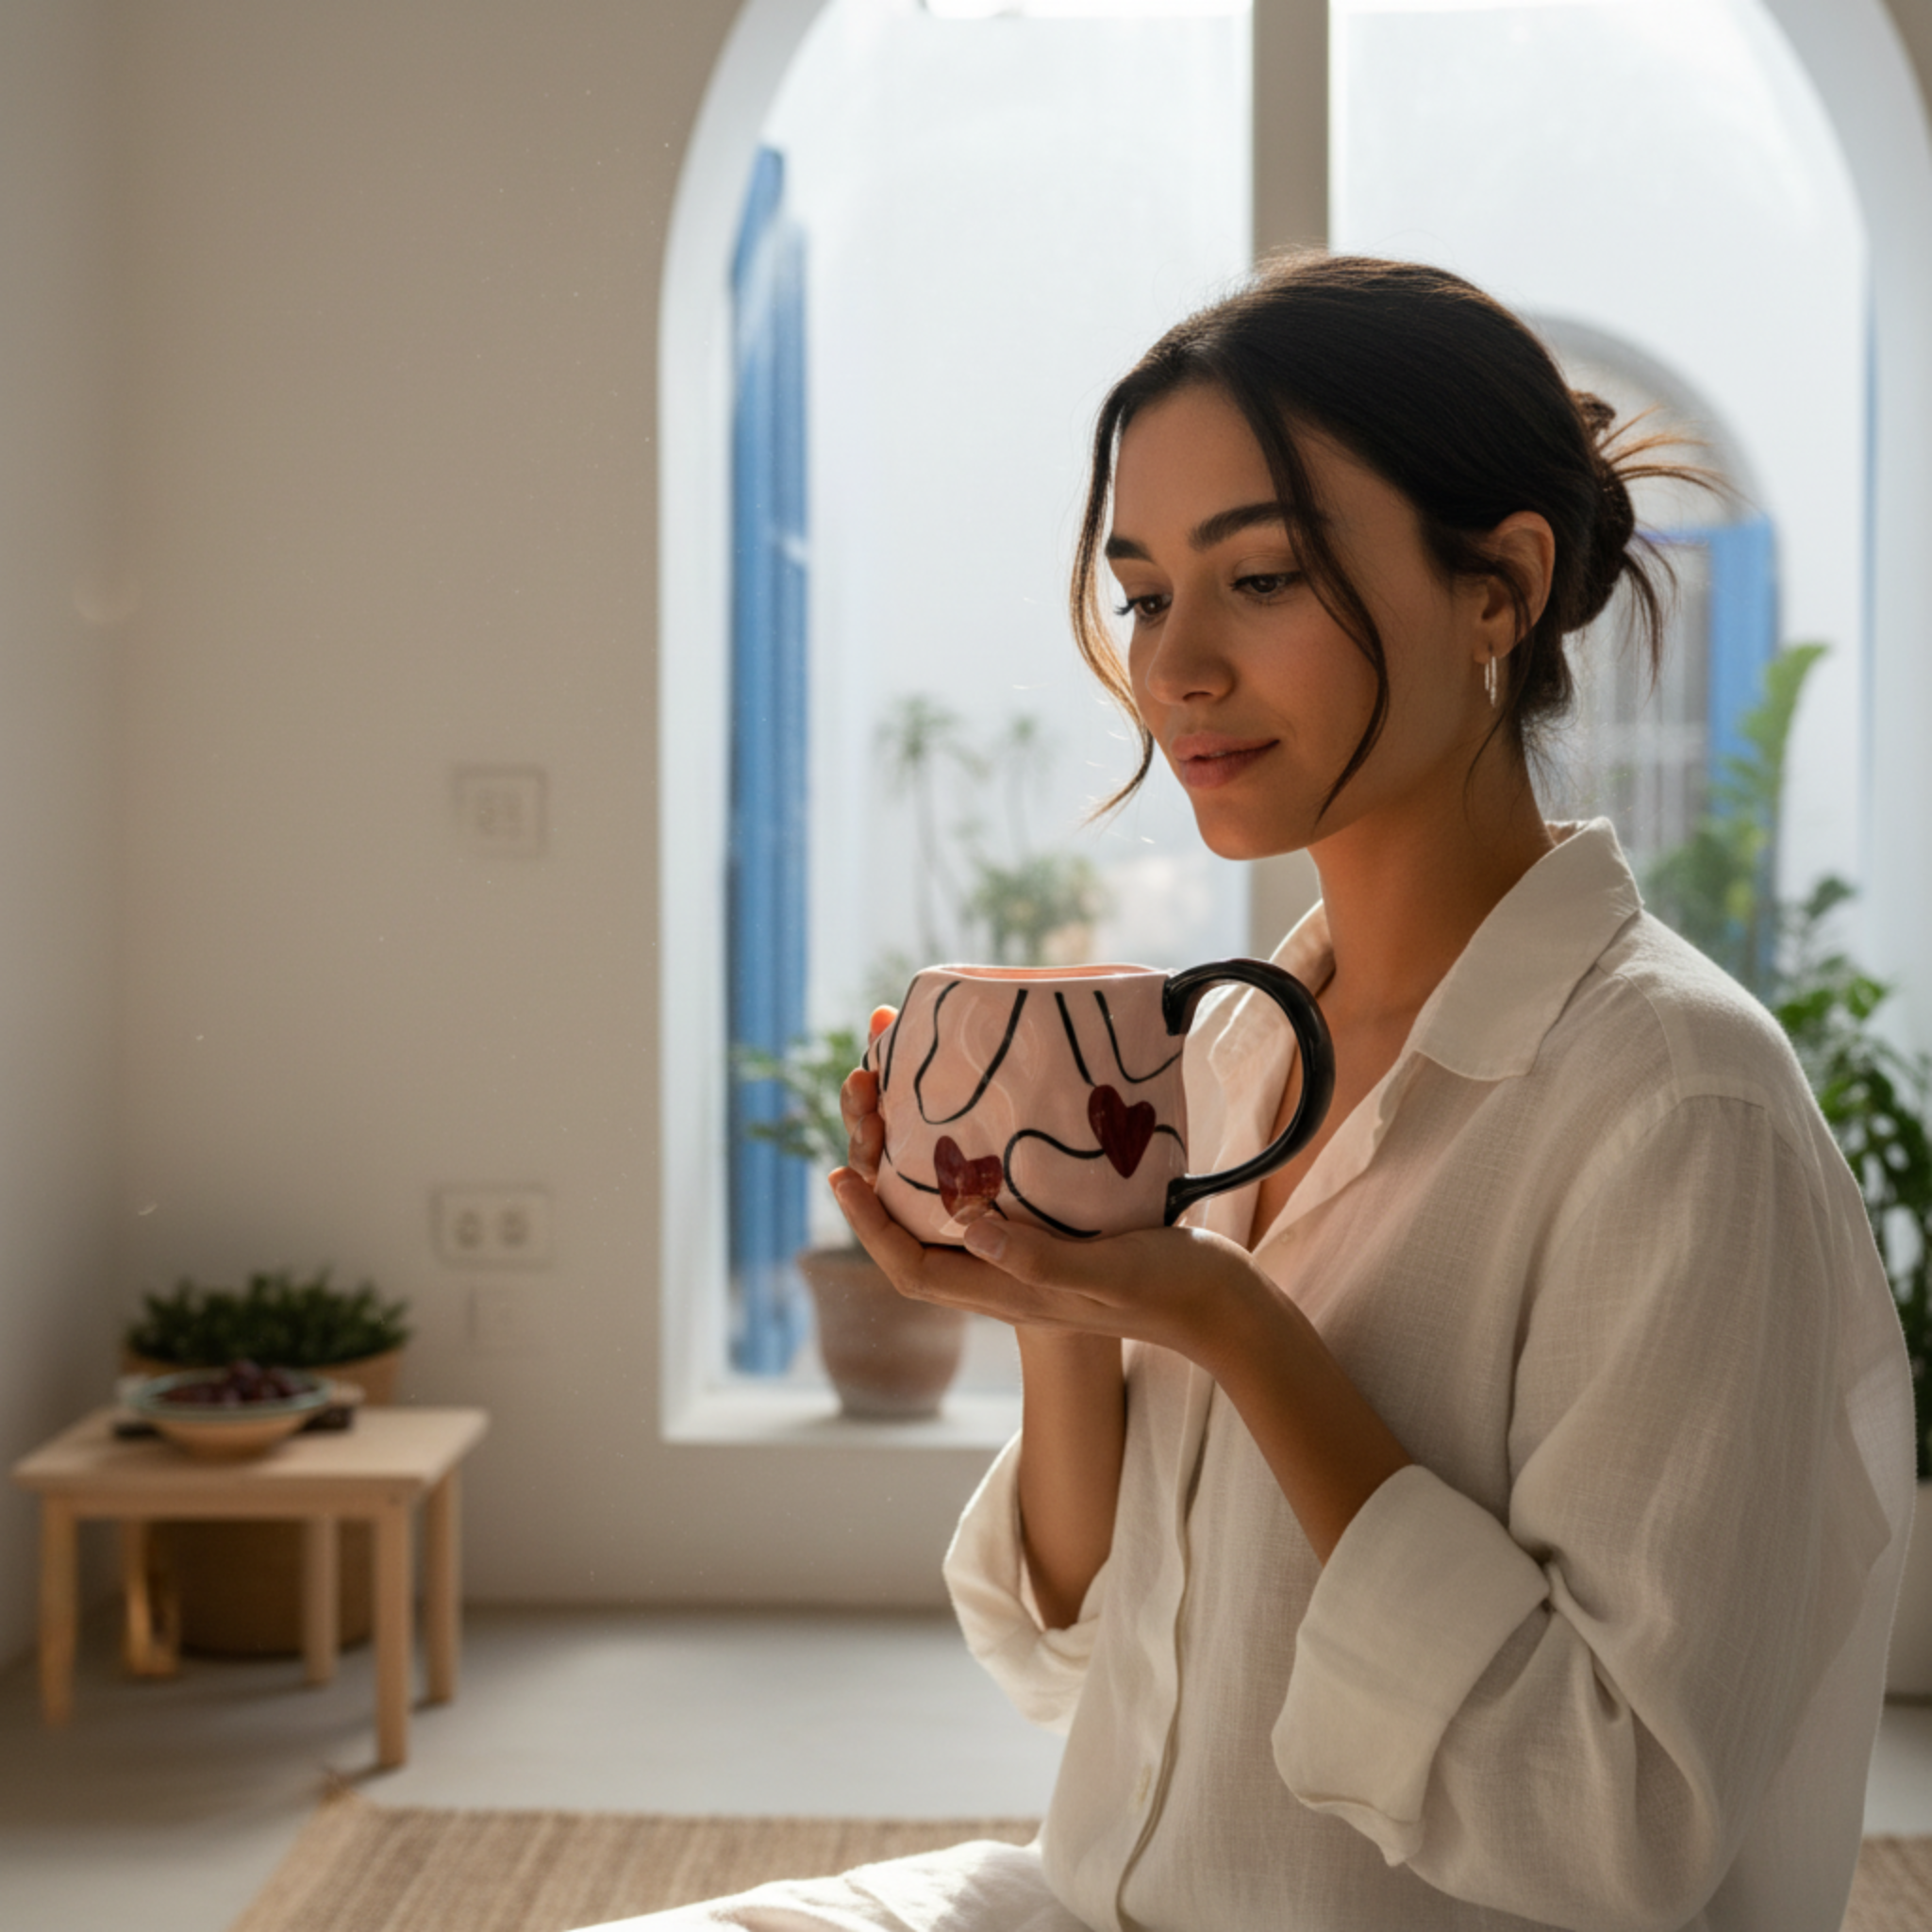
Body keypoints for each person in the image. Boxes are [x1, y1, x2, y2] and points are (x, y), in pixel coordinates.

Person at [605, 255, 1915, 1930]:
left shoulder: (1675, 1106)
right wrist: (1052, 1293)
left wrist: (1238, 1325)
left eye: (1267, 578)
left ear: (1500, 587)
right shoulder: (1227, 1053)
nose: (1177, 668)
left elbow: (1621, 1823)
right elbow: (1078, 1644)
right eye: (1147, 595)